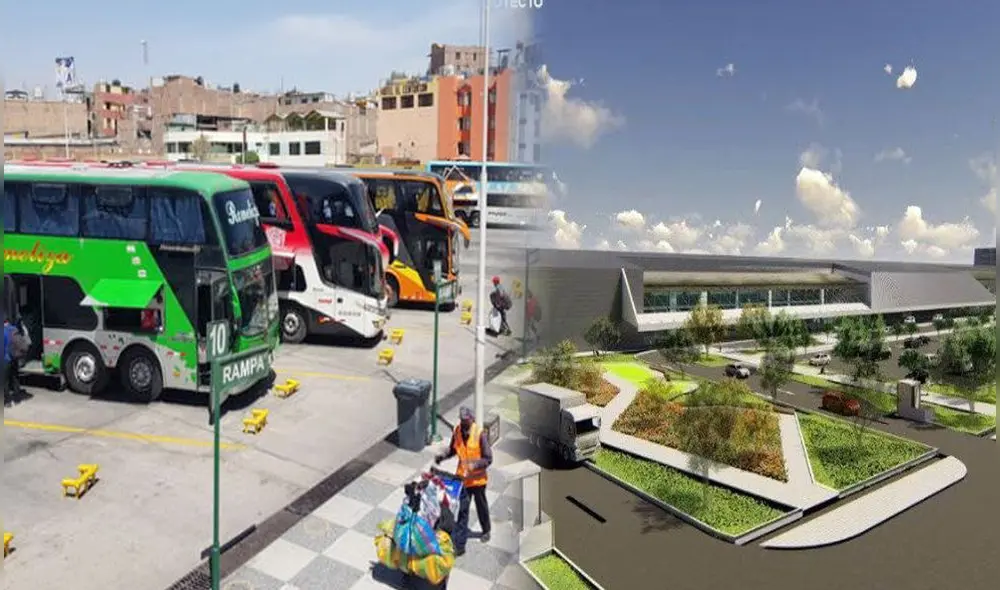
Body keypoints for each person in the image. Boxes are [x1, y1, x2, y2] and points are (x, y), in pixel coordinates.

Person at [434, 407, 492, 556]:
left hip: (478, 481)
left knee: (481, 507)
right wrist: (443, 456)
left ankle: (486, 530)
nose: (463, 422)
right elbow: (453, 449)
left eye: (466, 420)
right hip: (462, 480)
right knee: (462, 511)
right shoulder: (457, 431)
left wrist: (475, 464)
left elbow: (488, 458)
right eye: (462, 420)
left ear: (472, 419)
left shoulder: (479, 434)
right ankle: (460, 546)